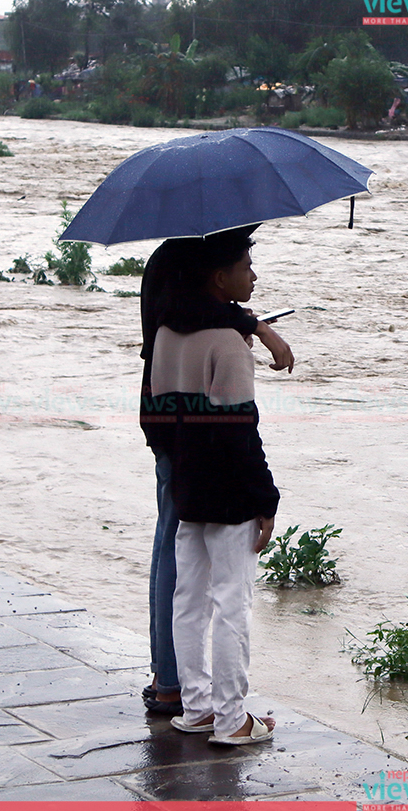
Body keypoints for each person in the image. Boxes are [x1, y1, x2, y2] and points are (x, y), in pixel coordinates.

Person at [138, 231, 292, 716]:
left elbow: (161, 418)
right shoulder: (227, 344)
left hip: (185, 475)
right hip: (224, 487)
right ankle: (230, 717)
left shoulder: (167, 330)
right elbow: (241, 431)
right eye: (246, 264)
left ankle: (190, 701)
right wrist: (266, 498)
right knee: (231, 603)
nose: (254, 273)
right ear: (219, 276)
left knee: (187, 594)